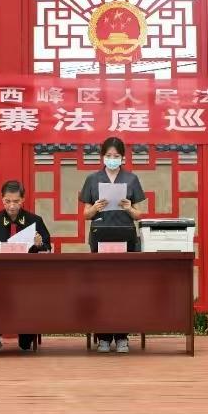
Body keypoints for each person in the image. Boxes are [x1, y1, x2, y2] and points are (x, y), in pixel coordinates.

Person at [78, 136, 147, 354]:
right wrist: (95, 208)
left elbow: (139, 214)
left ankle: (122, 336)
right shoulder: (92, 179)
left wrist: (128, 208)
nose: (112, 159)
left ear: (123, 158)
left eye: (116, 156)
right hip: (100, 236)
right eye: (108, 156)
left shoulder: (131, 179)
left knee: (123, 287)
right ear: (102, 157)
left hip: (126, 236)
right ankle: (104, 337)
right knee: (101, 287)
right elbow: (85, 214)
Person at [0, 180, 53, 354]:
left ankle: (26, 339)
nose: (12, 206)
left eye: (16, 201)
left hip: (27, 277)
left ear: (23, 199)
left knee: (30, 294)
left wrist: (39, 244)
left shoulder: (35, 221)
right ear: (2, 199)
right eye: (7, 201)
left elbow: (47, 248)